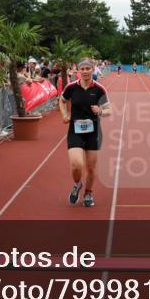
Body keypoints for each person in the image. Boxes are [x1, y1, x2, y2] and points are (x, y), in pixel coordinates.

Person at [59, 58, 111, 208]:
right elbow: (62, 100)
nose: (85, 71)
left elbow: (109, 109)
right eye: (83, 69)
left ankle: (88, 192)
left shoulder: (99, 89)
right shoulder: (71, 87)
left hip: (93, 132)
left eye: (88, 68)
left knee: (91, 167)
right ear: (79, 71)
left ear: (93, 70)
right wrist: (64, 115)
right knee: (76, 165)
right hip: (75, 131)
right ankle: (78, 184)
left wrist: (100, 110)